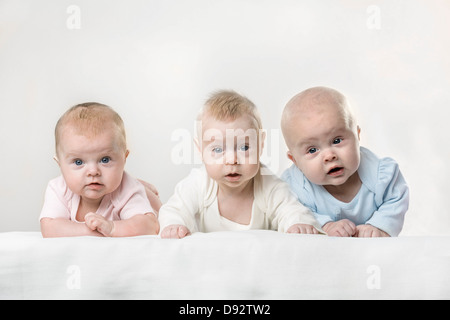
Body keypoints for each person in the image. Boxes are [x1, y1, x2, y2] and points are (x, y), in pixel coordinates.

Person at [159, 90, 323, 239]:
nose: (232, 160)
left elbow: (291, 209)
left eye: (244, 147)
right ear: (200, 150)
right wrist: (174, 224)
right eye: (217, 149)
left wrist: (298, 224)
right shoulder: (199, 183)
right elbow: (174, 210)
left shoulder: (269, 186)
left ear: (261, 144)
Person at [281, 86, 409, 237]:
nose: (329, 156)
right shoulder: (294, 186)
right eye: (312, 150)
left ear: (358, 135)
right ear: (295, 161)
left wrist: (378, 226)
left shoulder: (380, 174)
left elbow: (395, 199)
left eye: (337, 140)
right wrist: (324, 225)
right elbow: (288, 210)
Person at [40, 102, 160, 237]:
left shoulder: (126, 189)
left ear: (124, 158)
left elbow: (150, 225)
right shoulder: (58, 188)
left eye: (105, 160)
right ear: (60, 164)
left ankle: (146, 191)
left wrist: (112, 228)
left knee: (157, 208)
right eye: (78, 162)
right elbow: (49, 228)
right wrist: (91, 231)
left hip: (150, 205)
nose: (93, 172)